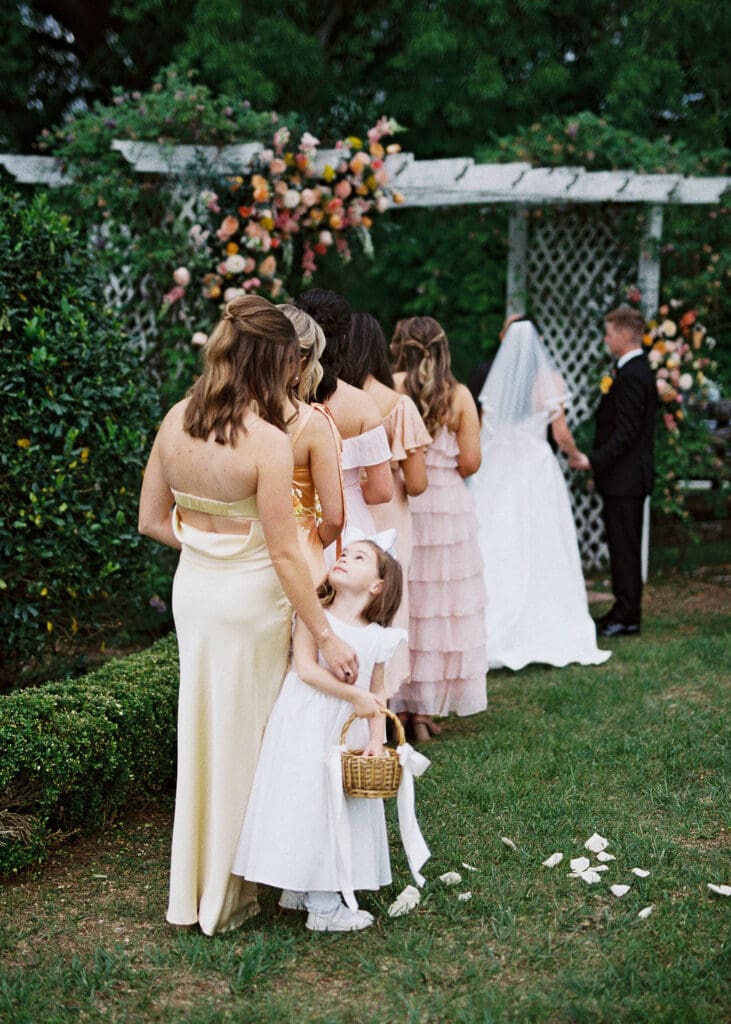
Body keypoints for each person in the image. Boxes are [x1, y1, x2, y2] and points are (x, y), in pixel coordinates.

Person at [138, 295, 358, 936]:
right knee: (257, 738)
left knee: (207, 731)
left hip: (196, 594)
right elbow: (287, 555)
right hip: (255, 601)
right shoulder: (266, 441)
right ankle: (243, 885)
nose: (296, 370)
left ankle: (205, 885)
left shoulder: (176, 419)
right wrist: (326, 635)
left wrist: (209, 549)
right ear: (270, 361)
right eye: (289, 360)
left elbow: (151, 521)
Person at [232, 538, 416, 932]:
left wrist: (376, 740)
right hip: (306, 724)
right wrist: (353, 695)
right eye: (344, 553)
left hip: (346, 733)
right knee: (306, 803)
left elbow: (378, 693)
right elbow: (305, 669)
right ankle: (322, 905)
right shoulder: (316, 616)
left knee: (337, 809)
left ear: (377, 586)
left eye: (359, 557)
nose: (344, 556)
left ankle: (304, 887)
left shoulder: (379, 636)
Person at [473, 320, 612, 670]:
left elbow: (484, 429)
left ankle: (488, 620)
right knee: (543, 539)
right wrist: (575, 455)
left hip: (501, 467)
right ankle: (547, 618)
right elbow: (560, 432)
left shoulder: (495, 379)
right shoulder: (550, 381)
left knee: (499, 537)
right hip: (536, 467)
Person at [390, 316, 488, 742]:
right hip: (447, 506)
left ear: (402, 348)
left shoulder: (392, 388)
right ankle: (424, 710)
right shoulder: (459, 395)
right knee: (440, 609)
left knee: (407, 603)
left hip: (404, 499)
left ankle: (399, 705)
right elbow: (471, 461)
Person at [340, 311, 432, 699]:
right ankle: (383, 696)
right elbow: (418, 483)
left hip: (346, 511)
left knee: (348, 601)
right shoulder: (397, 404)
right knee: (389, 602)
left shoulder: (331, 401)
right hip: (390, 514)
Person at [571, 306, 656, 637]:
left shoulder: (633, 374)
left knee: (625, 548)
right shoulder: (630, 370)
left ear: (622, 334)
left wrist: (594, 461)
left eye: (608, 334)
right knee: (621, 546)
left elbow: (627, 432)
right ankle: (622, 609)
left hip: (627, 478)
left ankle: (628, 615)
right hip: (621, 478)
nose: (606, 340)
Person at [296, 289, 392, 546]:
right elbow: (382, 490)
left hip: (291, 520)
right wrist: (348, 491)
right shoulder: (361, 405)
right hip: (349, 526)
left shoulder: (277, 402)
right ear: (345, 339)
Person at [279, 303, 345, 584]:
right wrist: (308, 541)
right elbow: (334, 518)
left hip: (241, 557)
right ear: (302, 361)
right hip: (298, 556)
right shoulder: (313, 423)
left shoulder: (230, 418)